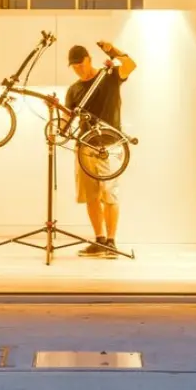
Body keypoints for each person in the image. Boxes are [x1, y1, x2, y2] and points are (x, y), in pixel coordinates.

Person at [63, 38, 137, 259]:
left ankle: (111, 242)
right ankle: (100, 240)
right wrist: (55, 121)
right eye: (74, 67)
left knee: (109, 194)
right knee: (91, 196)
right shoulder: (74, 90)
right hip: (84, 146)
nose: (78, 69)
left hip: (110, 145)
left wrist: (112, 50)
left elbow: (130, 65)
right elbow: (67, 118)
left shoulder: (109, 77)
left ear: (89, 59)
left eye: (81, 64)